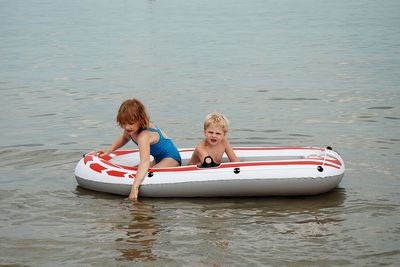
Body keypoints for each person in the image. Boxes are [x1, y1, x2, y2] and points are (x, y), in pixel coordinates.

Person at [96, 98, 181, 201]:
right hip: (158, 158)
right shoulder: (131, 129)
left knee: (148, 173)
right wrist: (110, 150)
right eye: (123, 123)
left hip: (171, 159)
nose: (127, 127)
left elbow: (144, 162)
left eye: (130, 123)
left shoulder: (143, 136)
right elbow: (124, 138)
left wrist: (135, 187)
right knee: (135, 170)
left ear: (141, 120)